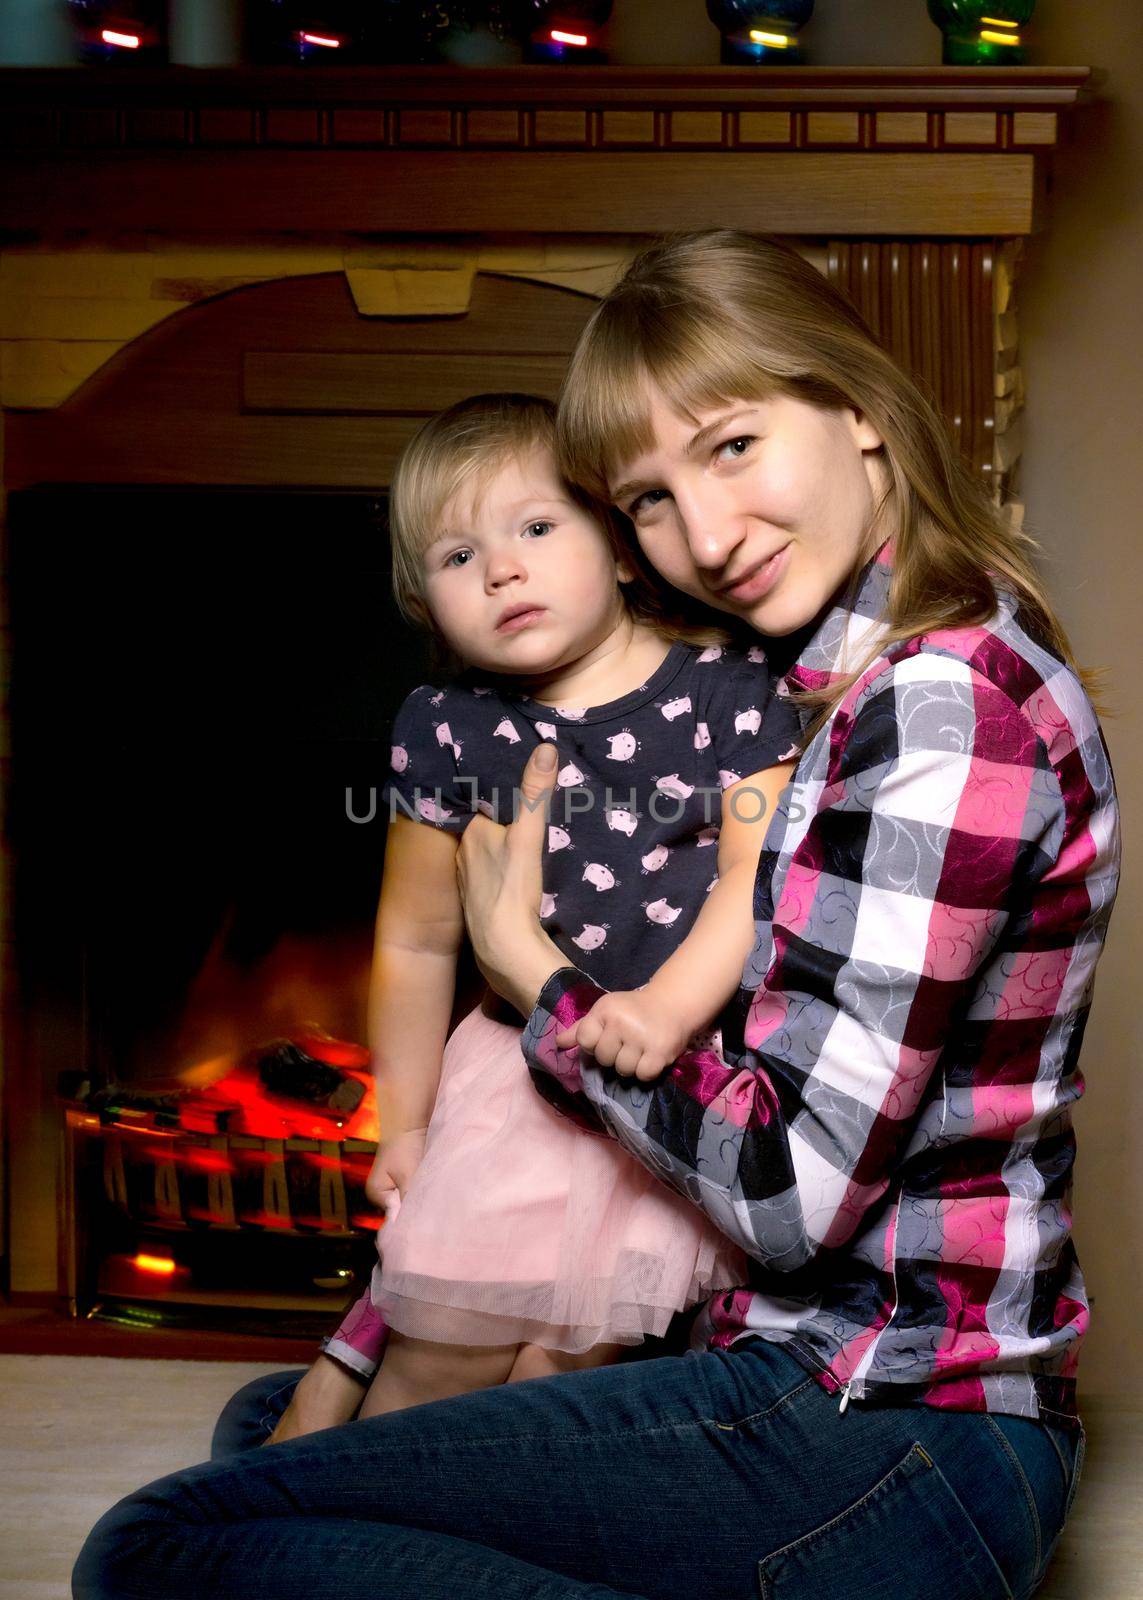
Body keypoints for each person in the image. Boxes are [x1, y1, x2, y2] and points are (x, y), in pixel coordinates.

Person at [73, 231, 1120, 1600]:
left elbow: (790, 1196)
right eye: (644, 498)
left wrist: (533, 978)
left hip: (880, 1430)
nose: (701, 535)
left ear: (856, 405)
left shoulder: (934, 708)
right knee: (271, 1436)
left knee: (160, 1546)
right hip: (809, 1378)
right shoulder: (843, 673)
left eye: (732, 446)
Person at [322, 392, 799, 1417]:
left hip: (664, 1079)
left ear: (624, 550)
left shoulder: (729, 694)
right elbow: (413, 941)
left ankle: (477, 1534)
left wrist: (664, 1014)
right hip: (512, 1084)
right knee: (439, 1350)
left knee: (568, 1367)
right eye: (456, 557)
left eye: (536, 528)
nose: (500, 568)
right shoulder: (448, 729)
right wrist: (399, 1125)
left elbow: (749, 881)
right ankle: (356, 1514)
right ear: (424, 601)